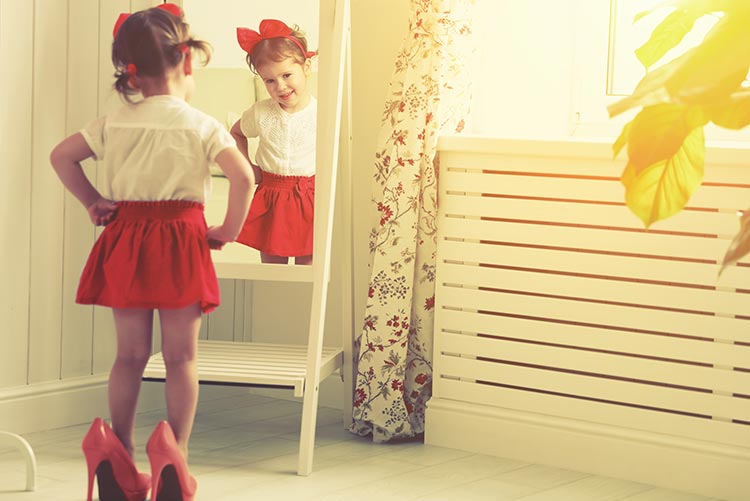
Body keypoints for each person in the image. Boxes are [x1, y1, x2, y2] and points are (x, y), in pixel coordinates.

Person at [49, 4, 254, 500]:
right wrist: (225, 229)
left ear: (130, 72)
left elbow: (62, 156)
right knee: (181, 357)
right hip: (182, 239)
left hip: (125, 238)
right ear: (186, 60)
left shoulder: (113, 123)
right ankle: (174, 455)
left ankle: (116, 450)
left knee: (129, 355)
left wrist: (94, 203)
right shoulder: (202, 125)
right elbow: (246, 177)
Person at [232, 19, 317, 265]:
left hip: (308, 196)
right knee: (272, 268)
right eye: (269, 80)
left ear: (306, 67)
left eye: (287, 75)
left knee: (307, 268)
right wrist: (248, 166)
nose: (280, 86)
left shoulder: (320, 113)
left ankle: (301, 304)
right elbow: (236, 133)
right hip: (272, 196)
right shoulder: (260, 112)